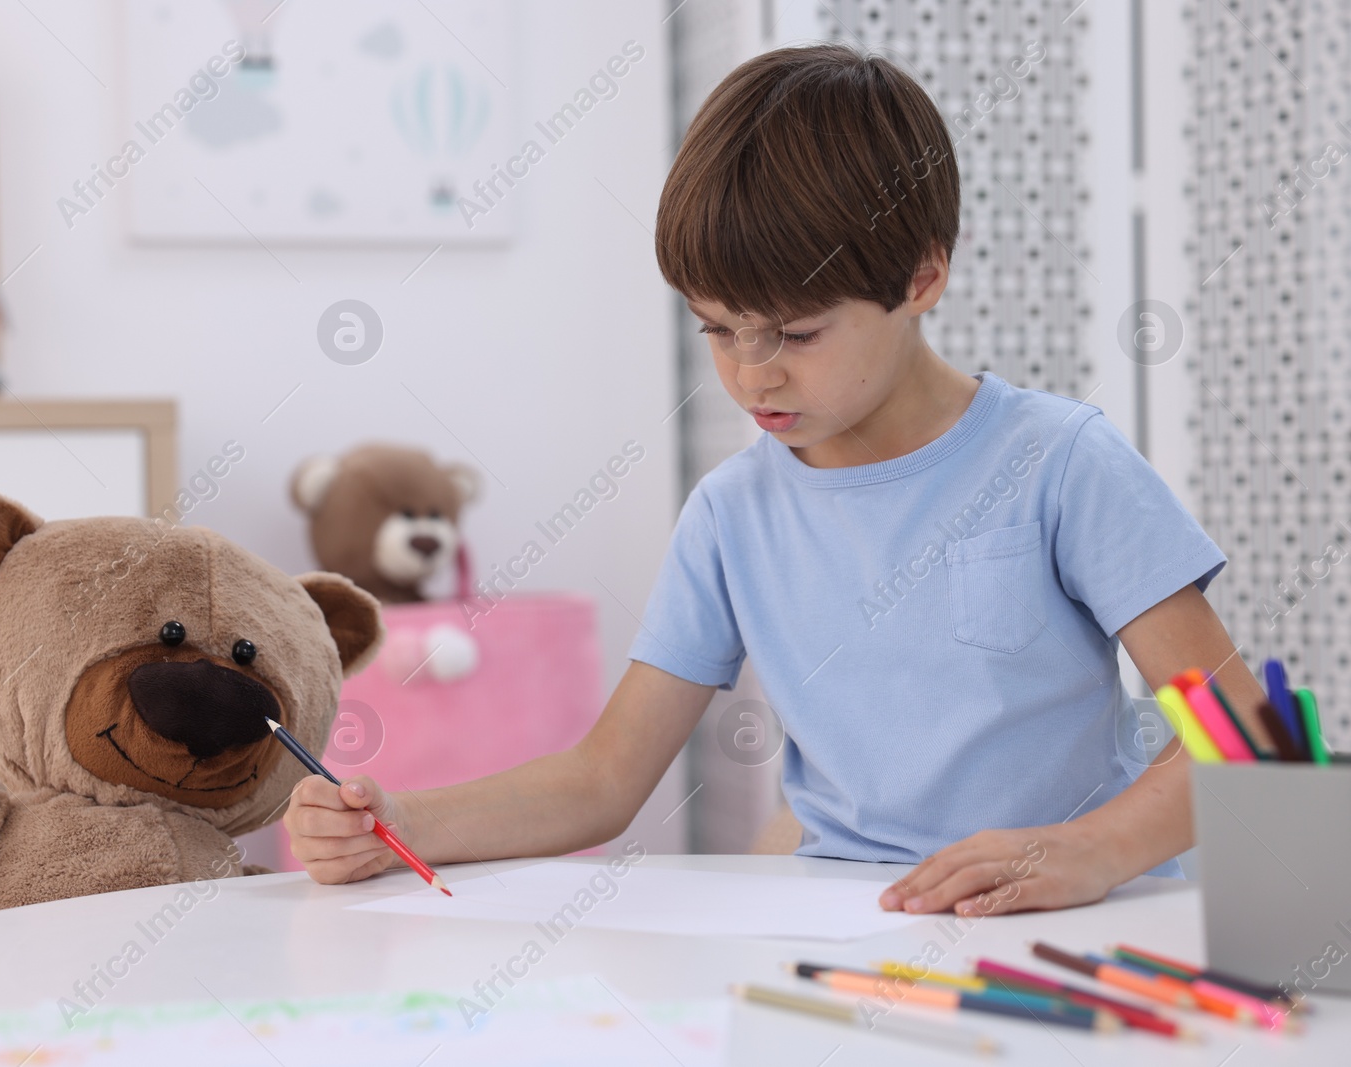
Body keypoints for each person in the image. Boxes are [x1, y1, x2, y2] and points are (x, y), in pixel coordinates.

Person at [285, 44, 1267, 917]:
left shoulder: (1060, 462)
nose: (752, 371)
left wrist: (1088, 851)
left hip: (1071, 922)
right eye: (716, 327)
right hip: (848, 920)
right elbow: (602, 777)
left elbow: (1241, 732)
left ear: (923, 277)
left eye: (795, 333)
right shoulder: (732, 511)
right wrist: (398, 819)